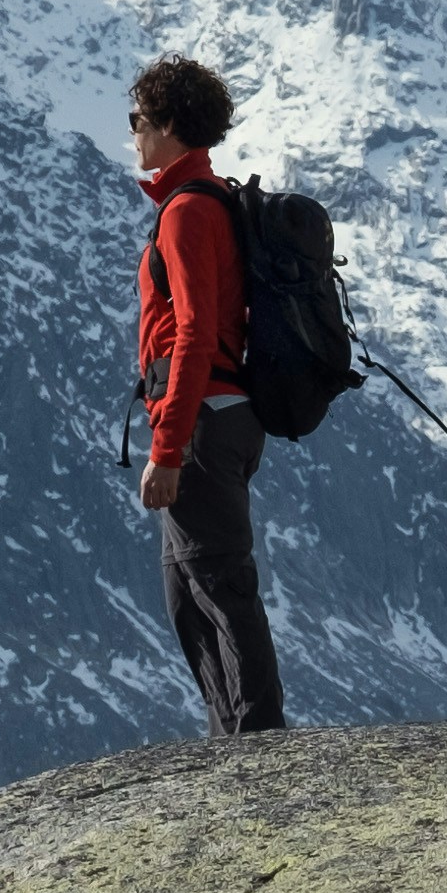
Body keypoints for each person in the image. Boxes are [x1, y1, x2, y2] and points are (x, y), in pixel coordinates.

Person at [126, 54, 288, 735]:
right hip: (218, 416)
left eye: (137, 119)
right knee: (186, 592)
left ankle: (258, 743)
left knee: (219, 585)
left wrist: (167, 447)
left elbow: (192, 333)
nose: (132, 132)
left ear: (167, 125)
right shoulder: (202, 201)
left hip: (202, 421)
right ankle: (232, 741)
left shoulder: (189, 212)